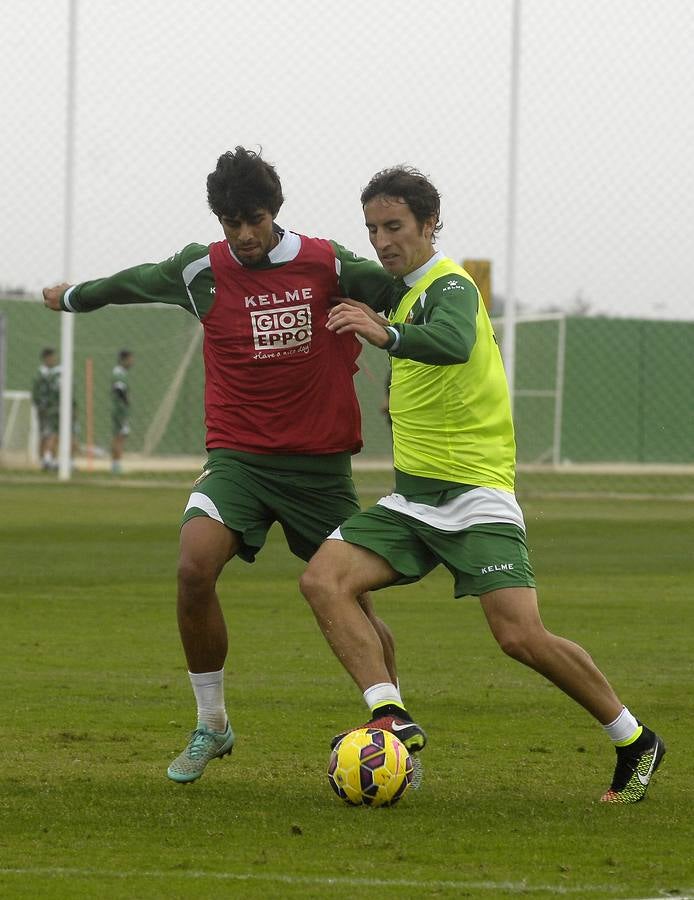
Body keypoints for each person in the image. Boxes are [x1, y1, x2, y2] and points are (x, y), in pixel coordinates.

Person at [299, 165, 665, 804]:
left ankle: (634, 739)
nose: (383, 241)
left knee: (519, 636)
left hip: (474, 496)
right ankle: (388, 715)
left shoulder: (451, 286)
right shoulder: (404, 292)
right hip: (413, 499)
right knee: (323, 580)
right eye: (372, 229)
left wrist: (384, 334)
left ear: (429, 225)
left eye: (395, 227)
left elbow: (451, 340)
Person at [42, 146, 402, 785]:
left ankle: (392, 737)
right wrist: (71, 295)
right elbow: (134, 281)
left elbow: (405, 289)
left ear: (276, 211)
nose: (243, 236)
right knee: (192, 567)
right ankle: (212, 724)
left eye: (254, 220)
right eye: (230, 223)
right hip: (237, 461)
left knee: (355, 601)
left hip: (319, 471)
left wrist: (439, 312)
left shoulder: (328, 264)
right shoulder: (200, 271)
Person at [31, 347, 60, 470]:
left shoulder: (51, 373)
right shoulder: (42, 374)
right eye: (52, 357)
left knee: (46, 434)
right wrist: (41, 406)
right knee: (49, 434)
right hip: (45, 409)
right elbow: (37, 393)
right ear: (46, 358)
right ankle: (47, 460)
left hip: (50, 408)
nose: (54, 360)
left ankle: (46, 460)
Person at [111, 349, 134, 474]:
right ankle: (116, 464)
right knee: (119, 436)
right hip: (120, 410)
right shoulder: (118, 373)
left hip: (121, 410)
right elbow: (119, 390)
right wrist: (126, 401)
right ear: (123, 359)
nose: (132, 361)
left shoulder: (122, 373)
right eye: (130, 359)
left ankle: (116, 463)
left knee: (120, 435)